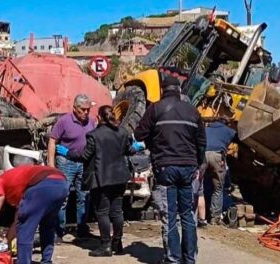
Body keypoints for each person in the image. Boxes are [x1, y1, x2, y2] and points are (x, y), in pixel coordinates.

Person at [134, 71, 206, 264]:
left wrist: (153, 140)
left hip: (165, 168)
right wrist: (198, 164)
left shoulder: (155, 109)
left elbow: (139, 134)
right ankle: (189, 259)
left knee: (170, 216)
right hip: (189, 168)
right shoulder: (192, 111)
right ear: (179, 90)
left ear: (162, 91)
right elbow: (201, 142)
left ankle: (173, 259)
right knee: (188, 216)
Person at [57, 105, 134, 257]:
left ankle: (105, 245)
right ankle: (117, 244)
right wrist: (136, 147)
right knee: (117, 211)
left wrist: (68, 153)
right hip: (120, 178)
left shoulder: (94, 135)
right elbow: (128, 150)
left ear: (100, 117)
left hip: (102, 178)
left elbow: (85, 156)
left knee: (103, 212)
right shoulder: (123, 132)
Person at [0, 165, 68, 264]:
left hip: (42, 184)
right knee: (47, 225)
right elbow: (17, 220)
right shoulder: (17, 180)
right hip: (62, 184)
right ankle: (46, 261)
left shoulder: (1, 180)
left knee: (25, 229)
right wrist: (5, 242)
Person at [47, 94, 95, 242]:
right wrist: (51, 164)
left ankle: (82, 228)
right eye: (83, 110)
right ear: (75, 108)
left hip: (84, 163)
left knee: (84, 197)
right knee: (62, 197)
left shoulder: (92, 122)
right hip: (66, 162)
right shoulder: (64, 122)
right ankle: (59, 231)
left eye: (88, 110)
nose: (86, 113)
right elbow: (52, 141)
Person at [200, 119, 235, 225]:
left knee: (198, 188)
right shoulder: (229, 130)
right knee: (218, 188)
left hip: (203, 155)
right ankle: (215, 219)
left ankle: (198, 215)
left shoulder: (205, 129)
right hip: (217, 156)